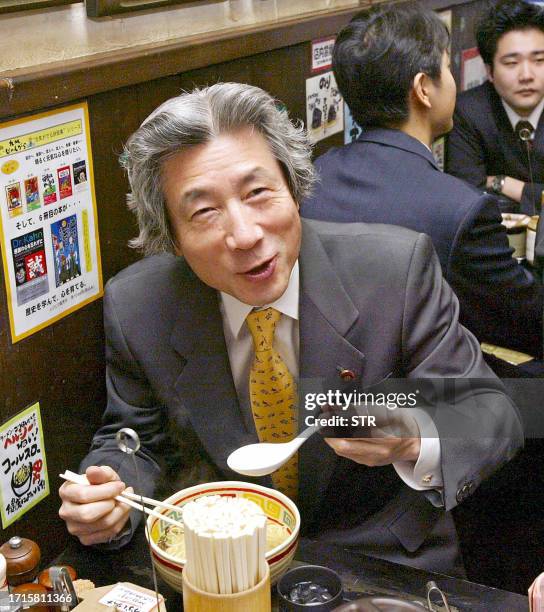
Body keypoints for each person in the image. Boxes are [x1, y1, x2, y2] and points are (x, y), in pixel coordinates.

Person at [58, 83, 522, 575]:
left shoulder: (394, 271)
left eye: (258, 193)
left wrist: (415, 439)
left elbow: (491, 413)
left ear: (294, 187)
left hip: (381, 562)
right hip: (219, 563)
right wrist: (110, 493)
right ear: (171, 235)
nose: (245, 235)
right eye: (204, 211)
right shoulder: (140, 304)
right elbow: (134, 438)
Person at [300, 3, 543, 358]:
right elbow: (528, 321)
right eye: (447, 68)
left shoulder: (315, 177)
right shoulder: (461, 210)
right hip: (429, 394)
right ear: (423, 90)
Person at [446, 0, 544, 215]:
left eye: (539, 60)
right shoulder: (467, 112)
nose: (527, 75)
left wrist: (505, 184)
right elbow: (465, 198)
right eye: (511, 63)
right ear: (489, 71)